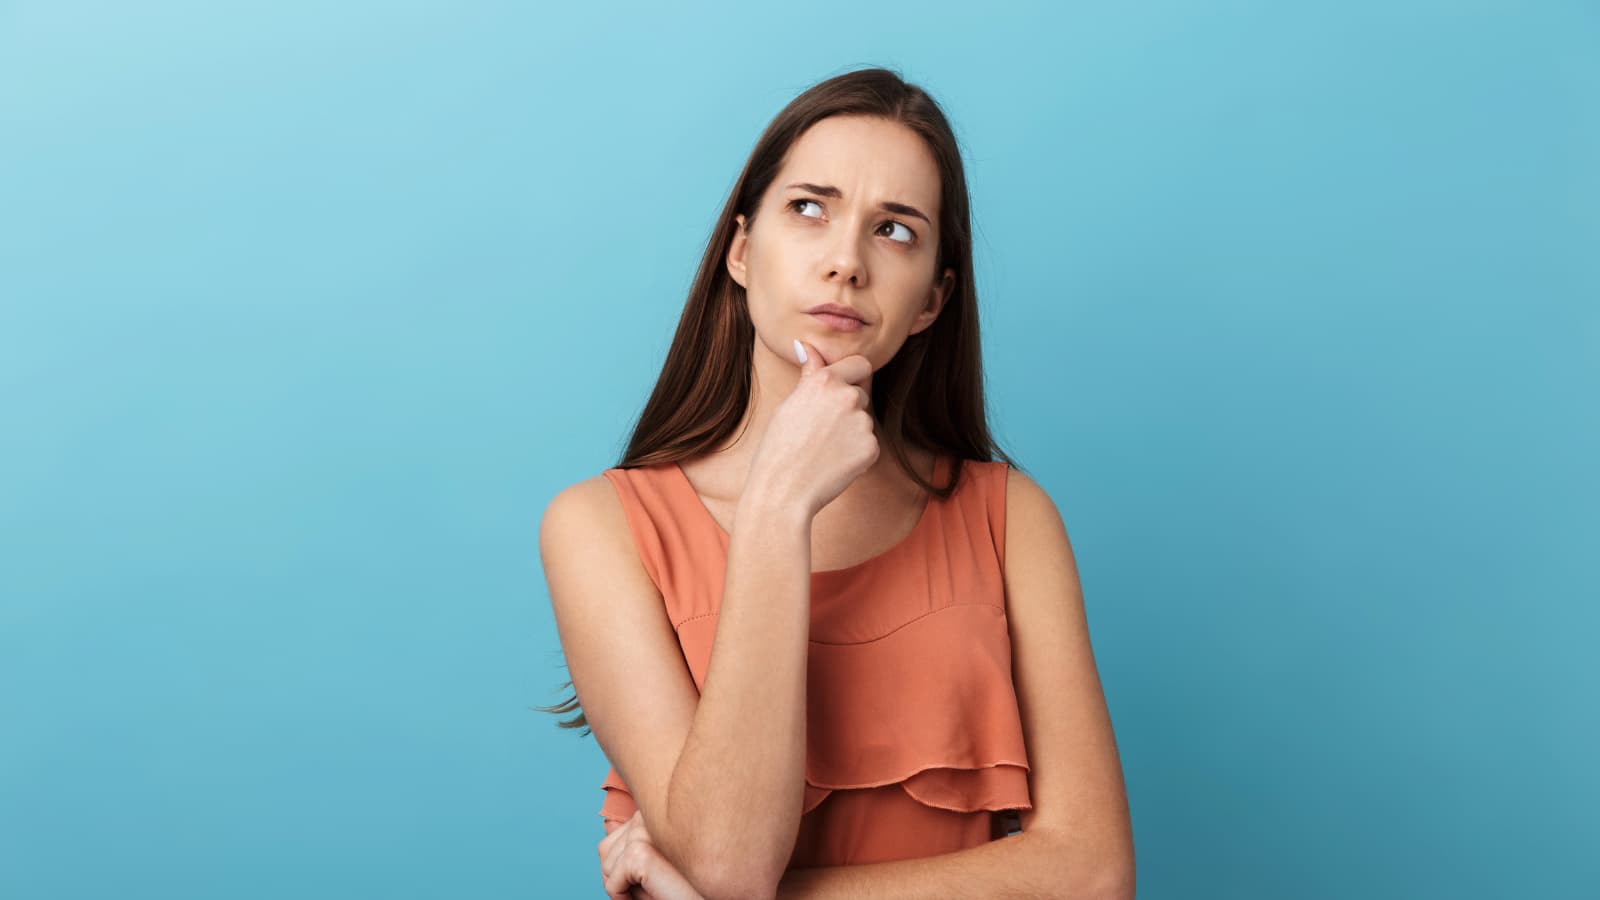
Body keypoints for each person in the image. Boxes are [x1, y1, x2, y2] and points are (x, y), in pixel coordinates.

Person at [538, 67, 1135, 900]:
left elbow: (1093, 873)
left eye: (894, 230)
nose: (846, 262)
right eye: (809, 208)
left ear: (932, 300)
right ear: (742, 251)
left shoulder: (1010, 518)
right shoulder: (599, 526)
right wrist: (780, 505)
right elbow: (724, 861)